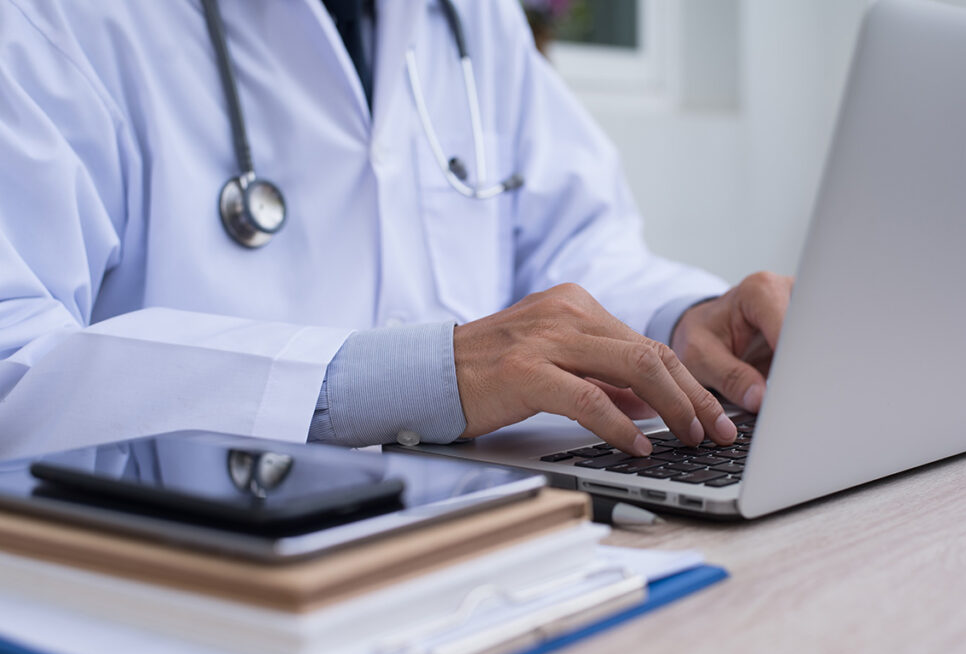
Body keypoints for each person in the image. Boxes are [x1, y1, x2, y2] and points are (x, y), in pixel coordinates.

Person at [0, 0, 791, 461]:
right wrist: (409, 379)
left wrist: (682, 326)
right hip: (190, 575)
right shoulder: (52, 22)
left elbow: (575, 242)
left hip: (474, 536)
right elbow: (16, 362)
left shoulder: (468, 17)